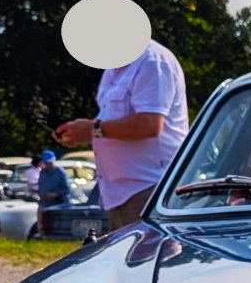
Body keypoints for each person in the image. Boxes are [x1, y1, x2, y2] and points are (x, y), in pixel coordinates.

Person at [54, 37, 190, 232]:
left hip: (151, 192)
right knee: (128, 262)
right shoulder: (114, 68)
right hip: (121, 194)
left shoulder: (152, 61)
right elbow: (111, 122)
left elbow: (149, 124)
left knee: (152, 261)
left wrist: (92, 129)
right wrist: (82, 133)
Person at [35, 149, 70, 231]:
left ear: (54, 160)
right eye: (46, 163)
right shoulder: (42, 172)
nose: (48, 165)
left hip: (59, 204)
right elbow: (40, 187)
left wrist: (55, 194)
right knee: (41, 225)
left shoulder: (60, 172)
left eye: (50, 162)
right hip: (44, 204)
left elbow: (67, 190)